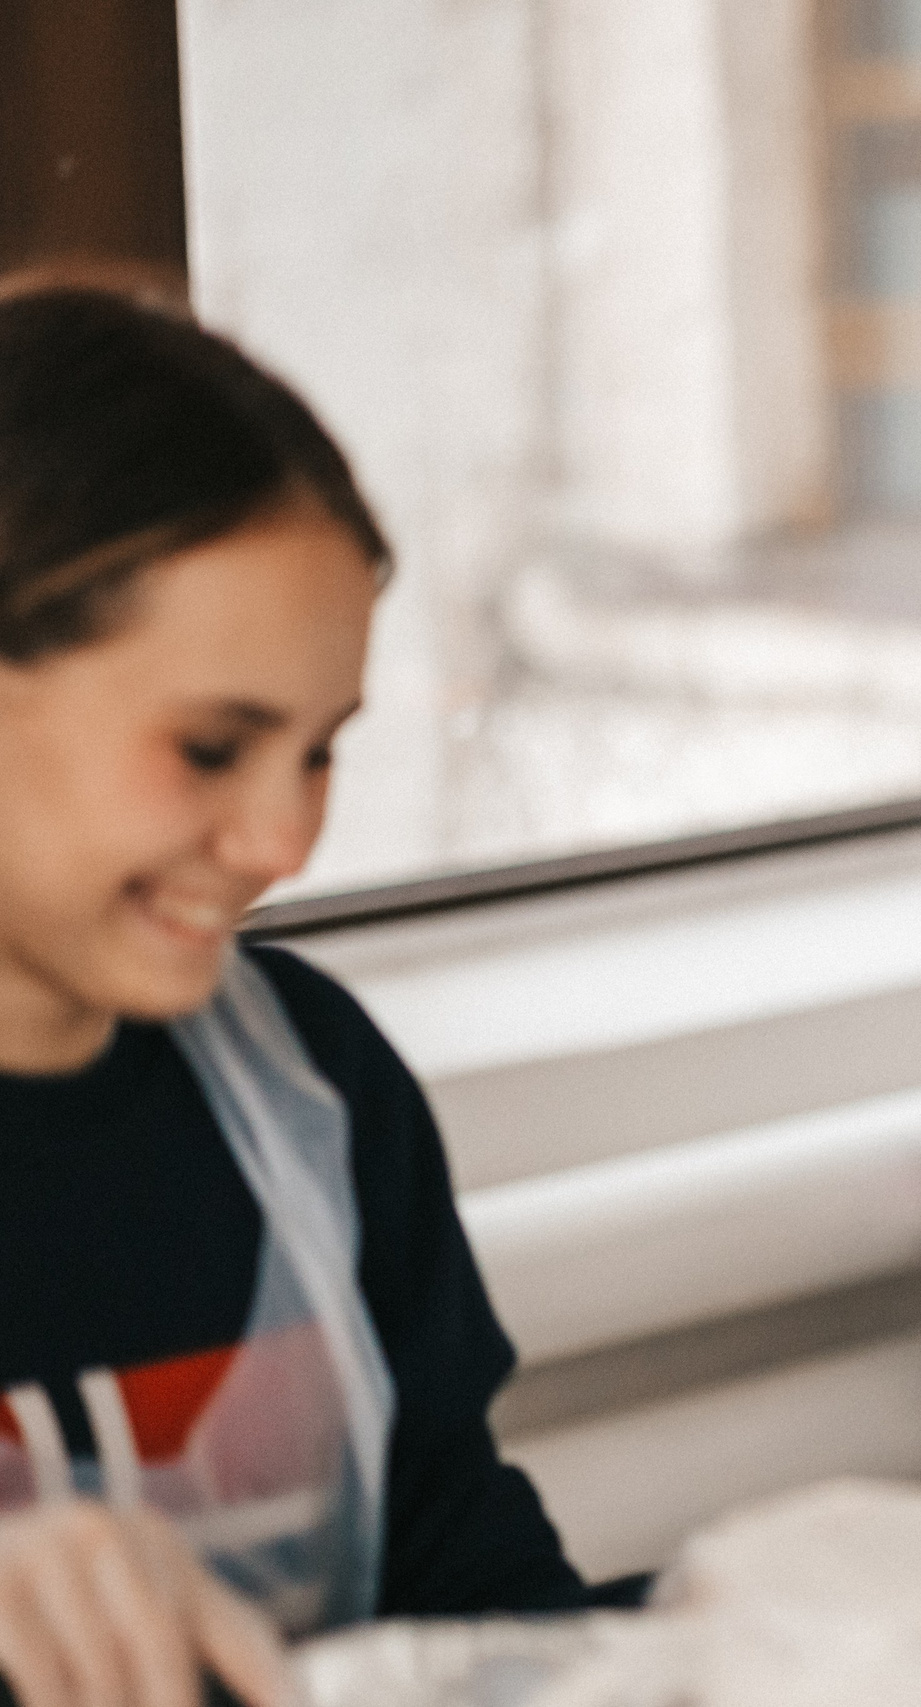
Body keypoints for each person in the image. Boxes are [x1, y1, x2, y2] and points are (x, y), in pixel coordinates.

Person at [0, 281, 591, 1707]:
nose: (282, 842)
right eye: (212, 749)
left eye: (319, 753)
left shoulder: (315, 1086)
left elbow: (474, 1597)